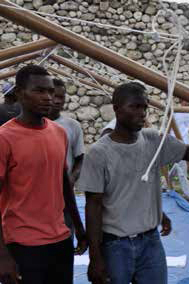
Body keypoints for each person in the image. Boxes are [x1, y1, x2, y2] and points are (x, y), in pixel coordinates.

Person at [78, 82, 189, 284]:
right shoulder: (99, 153)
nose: (142, 113)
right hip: (116, 245)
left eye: (145, 107)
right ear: (116, 109)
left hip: (150, 241)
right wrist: (95, 257)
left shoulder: (152, 140)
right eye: (135, 107)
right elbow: (93, 206)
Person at [0, 65, 87, 284]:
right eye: (39, 91)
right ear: (19, 93)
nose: (48, 97)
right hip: (22, 244)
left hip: (60, 239)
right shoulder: (5, 138)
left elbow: (63, 184)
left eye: (50, 92)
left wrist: (78, 226)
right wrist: (2, 256)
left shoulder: (59, 133)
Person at [49, 78, 85, 237]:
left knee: (64, 238)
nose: (57, 101)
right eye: (53, 96)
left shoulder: (72, 126)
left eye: (61, 97)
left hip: (64, 196)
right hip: (34, 197)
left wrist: (70, 181)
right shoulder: (24, 127)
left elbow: (80, 158)